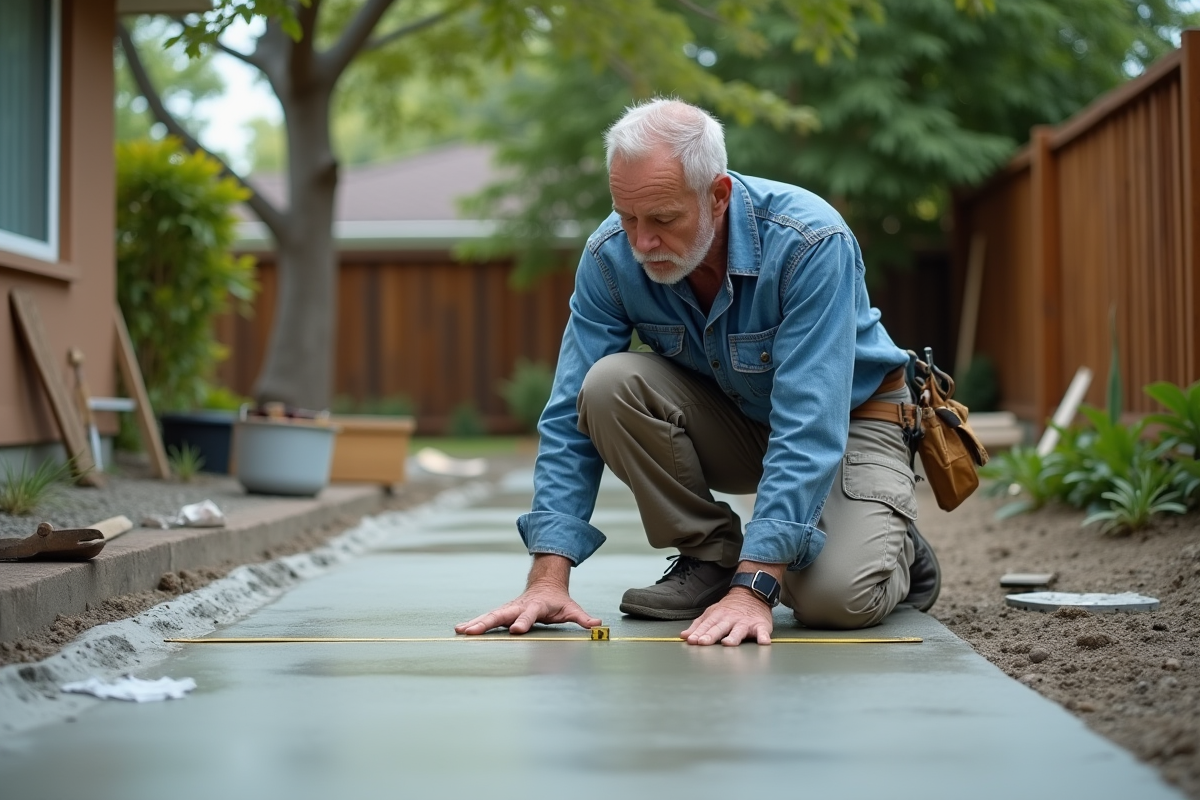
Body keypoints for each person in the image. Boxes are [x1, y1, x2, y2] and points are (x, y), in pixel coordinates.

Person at [456, 98, 940, 646]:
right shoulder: (610, 258)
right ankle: (712, 557)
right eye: (627, 217)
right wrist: (547, 577)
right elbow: (570, 412)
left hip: (853, 420)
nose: (641, 242)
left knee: (833, 602)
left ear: (717, 194)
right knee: (608, 385)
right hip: (736, 419)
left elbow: (809, 421)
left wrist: (755, 588)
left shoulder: (810, 242)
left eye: (663, 219)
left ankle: (895, 544)